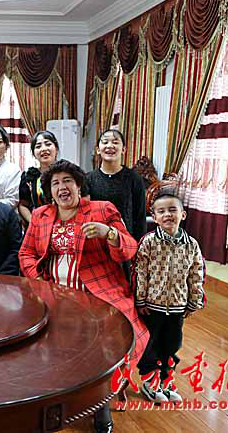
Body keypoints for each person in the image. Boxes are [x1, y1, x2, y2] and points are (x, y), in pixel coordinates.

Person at [18, 159, 149, 433]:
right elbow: (26, 253)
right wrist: (39, 281)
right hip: (53, 293)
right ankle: (56, 392)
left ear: (79, 186)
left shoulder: (102, 209)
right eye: (55, 183)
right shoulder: (41, 215)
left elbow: (129, 249)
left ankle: (100, 405)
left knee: (105, 341)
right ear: (49, 191)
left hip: (97, 292)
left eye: (68, 181)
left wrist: (109, 233)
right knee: (42, 339)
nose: (62, 187)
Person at [135, 193, 205, 404]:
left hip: (177, 306)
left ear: (183, 214)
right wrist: (140, 299)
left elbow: (196, 274)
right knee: (151, 345)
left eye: (172, 210)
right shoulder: (148, 242)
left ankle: (166, 380)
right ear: (154, 217)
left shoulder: (191, 244)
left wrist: (194, 301)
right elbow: (140, 272)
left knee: (172, 344)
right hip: (152, 306)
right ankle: (150, 381)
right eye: (161, 211)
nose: (167, 214)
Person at [86, 129, 146, 242]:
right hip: (96, 240)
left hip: (124, 241)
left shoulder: (134, 179)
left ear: (123, 150)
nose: (110, 146)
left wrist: (137, 245)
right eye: (105, 142)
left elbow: (140, 217)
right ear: (98, 149)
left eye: (115, 142)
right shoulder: (88, 179)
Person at [18, 130, 60, 226]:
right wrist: (33, 222)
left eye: (48, 144)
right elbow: (23, 205)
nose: (43, 149)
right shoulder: (28, 177)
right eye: (38, 146)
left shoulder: (67, 173)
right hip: (38, 225)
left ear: (56, 149)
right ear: (33, 153)